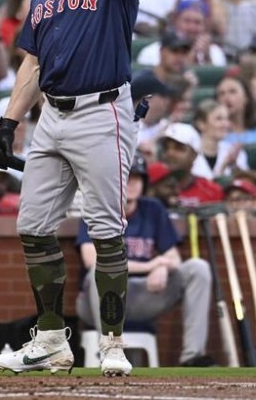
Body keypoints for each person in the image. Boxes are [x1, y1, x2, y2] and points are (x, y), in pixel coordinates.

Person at [0, 0, 156, 377]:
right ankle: (53, 339)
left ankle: (111, 344)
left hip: (102, 111)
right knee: (32, 226)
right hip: (50, 120)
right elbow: (31, 63)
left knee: (107, 230)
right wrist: (9, 121)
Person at [75, 154, 214, 367]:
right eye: (126, 178)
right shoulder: (96, 209)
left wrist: (164, 268)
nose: (131, 184)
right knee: (100, 271)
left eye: (137, 179)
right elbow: (91, 259)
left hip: (143, 293)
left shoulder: (153, 209)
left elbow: (174, 257)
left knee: (198, 268)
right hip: (99, 300)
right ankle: (110, 351)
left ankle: (192, 357)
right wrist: (152, 265)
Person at [191, 99, 249, 179]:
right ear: (201, 124)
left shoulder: (234, 152)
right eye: (219, 119)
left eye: (227, 119)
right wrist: (222, 168)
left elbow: (245, 183)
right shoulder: (188, 153)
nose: (226, 124)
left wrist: (234, 167)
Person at [215, 74, 256, 145]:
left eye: (232, 92)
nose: (226, 98)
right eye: (221, 94)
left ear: (246, 97)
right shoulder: (214, 130)